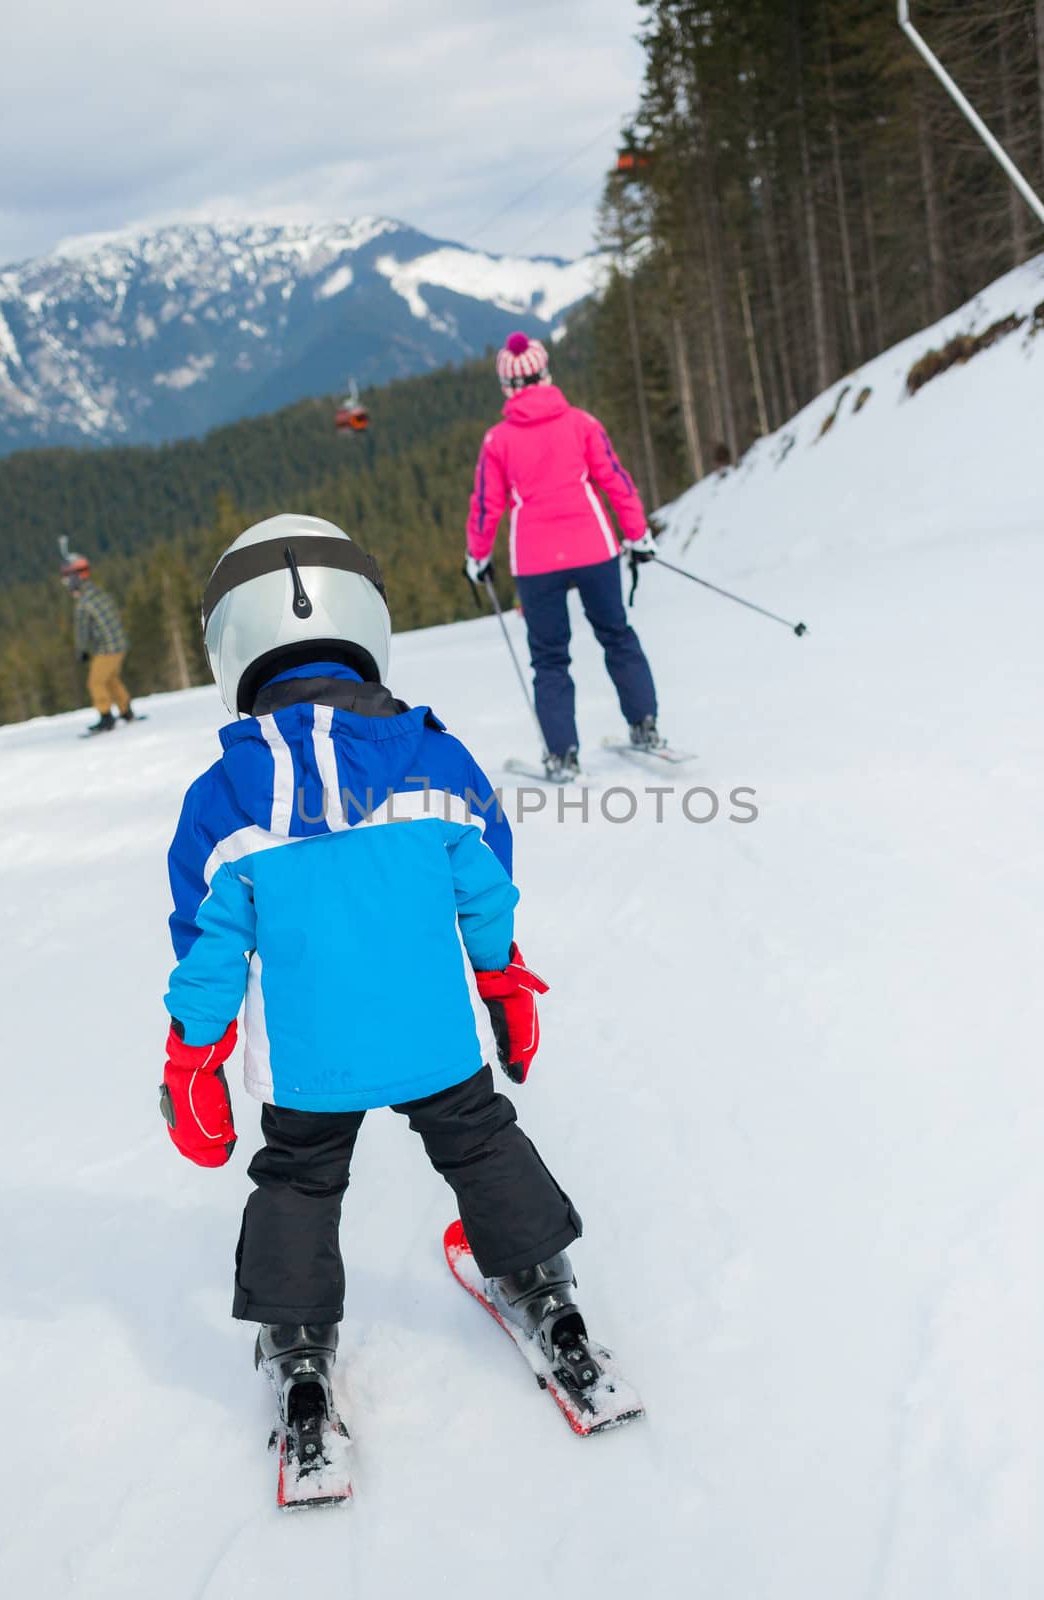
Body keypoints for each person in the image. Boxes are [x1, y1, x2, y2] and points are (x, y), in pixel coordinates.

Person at [159, 511, 584, 1435]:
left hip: (313, 1066)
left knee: (300, 1179)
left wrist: (193, 1059)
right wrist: (503, 982)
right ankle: (551, 1297)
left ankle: (300, 1351)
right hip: (435, 1040)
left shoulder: (223, 801)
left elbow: (208, 953)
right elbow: (486, 890)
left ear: (232, 642)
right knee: (478, 1139)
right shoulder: (436, 759)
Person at [465, 331, 663, 782]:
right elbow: (616, 480)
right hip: (595, 548)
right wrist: (637, 534)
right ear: (547, 375)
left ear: (507, 387)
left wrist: (477, 557)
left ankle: (563, 754)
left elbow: (486, 506)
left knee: (550, 659)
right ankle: (645, 726)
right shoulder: (582, 423)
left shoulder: (498, 441)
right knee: (617, 636)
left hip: (536, 564)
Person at [61, 552, 134, 734]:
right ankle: (126, 712)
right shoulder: (98, 592)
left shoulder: (83, 603)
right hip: (119, 645)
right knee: (110, 679)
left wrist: (82, 651)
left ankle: (106, 717)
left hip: (108, 648)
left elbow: (82, 631)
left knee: (96, 682)